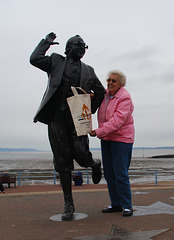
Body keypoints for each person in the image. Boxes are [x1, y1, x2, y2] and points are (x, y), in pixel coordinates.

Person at [30, 32, 105, 220]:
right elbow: (34, 59)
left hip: (78, 119)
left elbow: (101, 92)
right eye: (79, 46)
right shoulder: (55, 61)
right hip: (57, 118)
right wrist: (45, 43)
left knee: (81, 155)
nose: (82, 49)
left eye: (84, 47)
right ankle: (68, 203)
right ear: (69, 48)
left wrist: (89, 109)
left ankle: (94, 163)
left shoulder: (89, 70)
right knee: (63, 161)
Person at [90, 70, 134, 217]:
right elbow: (95, 100)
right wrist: (89, 97)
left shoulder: (125, 97)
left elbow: (118, 121)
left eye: (114, 81)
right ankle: (116, 204)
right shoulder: (105, 95)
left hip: (121, 139)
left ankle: (127, 205)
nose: (110, 83)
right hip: (107, 139)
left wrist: (98, 131)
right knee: (109, 174)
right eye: (108, 80)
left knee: (120, 173)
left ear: (121, 83)